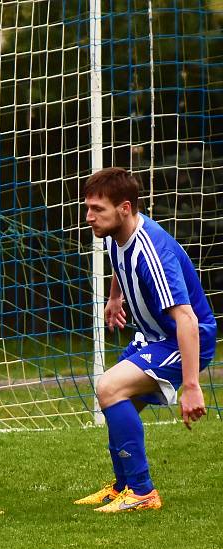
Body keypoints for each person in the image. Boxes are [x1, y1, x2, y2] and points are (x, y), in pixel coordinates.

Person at [74, 166, 216, 512]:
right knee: (117, 402)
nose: (89, 217)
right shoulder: (116, 234)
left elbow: (186, 318)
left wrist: (192, 385)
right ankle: (123, 487)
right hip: (153, 337)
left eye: (97, 210)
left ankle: (142, 493)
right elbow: (120, 265)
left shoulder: (154, 254)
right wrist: (115, 298)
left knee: (109, 387)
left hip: (182, 340)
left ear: (124, 208)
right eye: (88, 208)